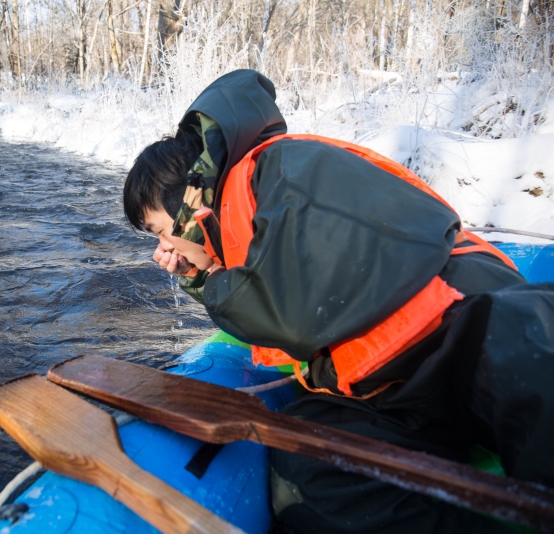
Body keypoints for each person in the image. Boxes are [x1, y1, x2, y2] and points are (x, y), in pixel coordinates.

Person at [123, 69, 554, 532]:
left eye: (160, 230)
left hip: (464, 327)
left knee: (533, 353)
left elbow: (293, 310)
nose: (163, 248)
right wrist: (204, 271)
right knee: (306, 471)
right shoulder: (231, 235)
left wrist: (209, 277)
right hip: (390, 392)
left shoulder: (283, 169)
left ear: (188, 199)